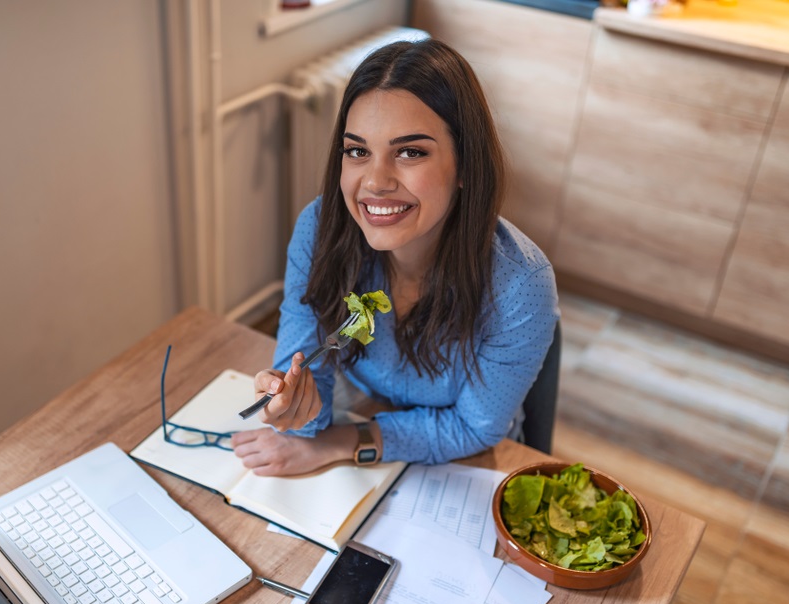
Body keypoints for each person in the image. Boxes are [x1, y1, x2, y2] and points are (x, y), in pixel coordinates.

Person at [230, 38, 559, 477]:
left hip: (466, 462)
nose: (376, 182)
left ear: (464, 165)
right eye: (358, 151)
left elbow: (474, 428)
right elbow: (308, 394)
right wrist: (294, 408)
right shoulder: (320, 228)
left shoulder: (521, 284)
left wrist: (341, 443)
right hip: (365, 406)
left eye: (410, 152)